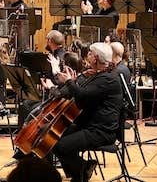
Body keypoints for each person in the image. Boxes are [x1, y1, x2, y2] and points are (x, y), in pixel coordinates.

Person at [43, 42, 123, 182]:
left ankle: (81, 170)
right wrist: (70, 82)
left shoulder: (108, 78)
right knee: (51, 138)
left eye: (90, 53)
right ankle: (80, 172)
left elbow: (82, 97)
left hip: (101, 130)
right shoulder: (97, 74)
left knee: (61, 146)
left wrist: (69, 81)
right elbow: (81, 94)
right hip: (87, 124)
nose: (88, 56)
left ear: (96, 57)